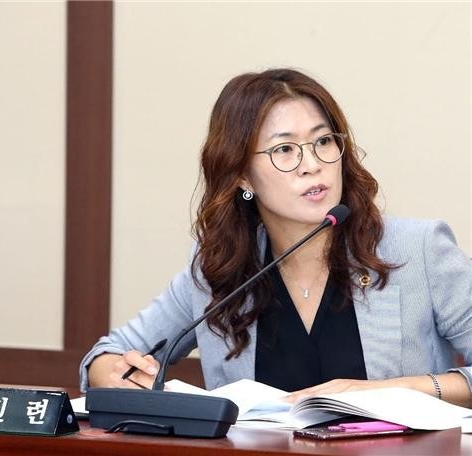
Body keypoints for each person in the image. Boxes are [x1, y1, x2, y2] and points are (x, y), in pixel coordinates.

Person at [79, 68, 472, 408]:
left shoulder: (419, 249)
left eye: (323, 141)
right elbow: (106, 355)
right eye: (285, 149)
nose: (312, 164)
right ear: (242, 177)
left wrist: (392, 391)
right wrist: (114, 374)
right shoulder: (219, 270)